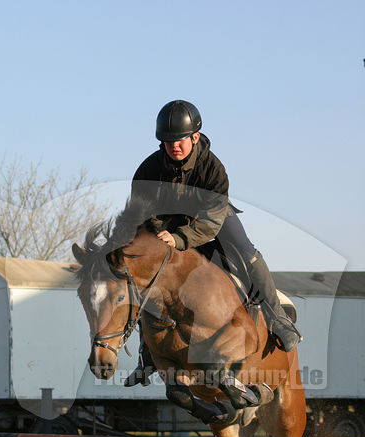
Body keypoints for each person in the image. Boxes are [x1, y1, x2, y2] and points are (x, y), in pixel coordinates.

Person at [125, 100, 302, 387]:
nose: (174, 147)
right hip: (168, 224)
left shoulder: (213, 168)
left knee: (246, 251)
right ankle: (147, 353)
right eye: (167, 142)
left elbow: (210, 221)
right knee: (149, 273)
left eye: (179, 140)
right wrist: (158, 235)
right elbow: (140, 212)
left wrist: (180, 238)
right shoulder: (149, 169)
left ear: (195, 137)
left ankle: (277, 316)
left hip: (212, 218)